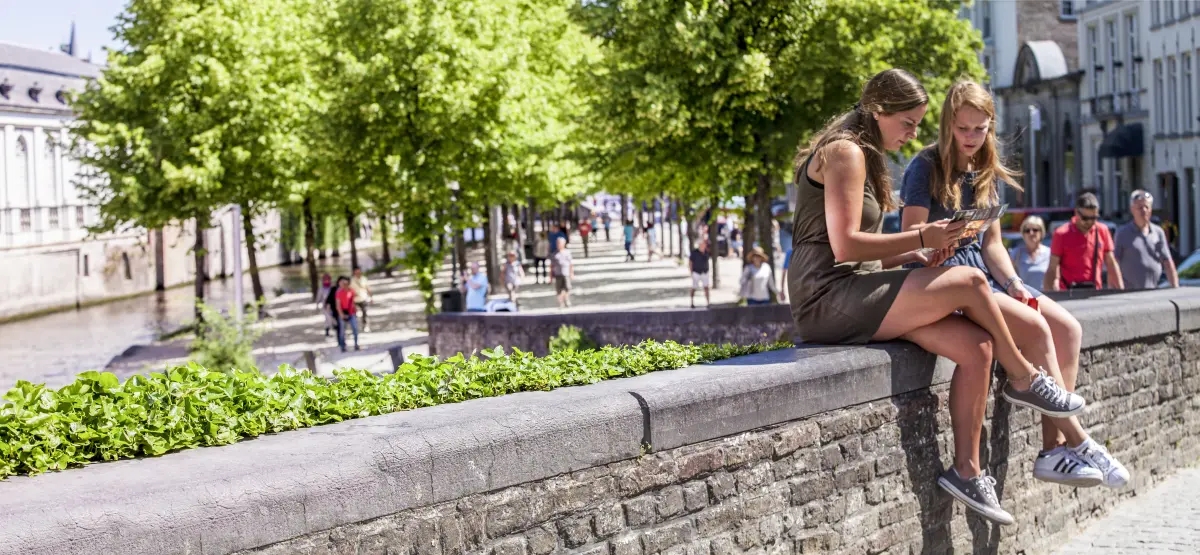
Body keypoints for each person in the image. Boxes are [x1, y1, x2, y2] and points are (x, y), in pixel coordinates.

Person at [789, 69, 1087, 526]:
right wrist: (922, 234)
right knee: (968, 281)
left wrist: (922, 248)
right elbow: (845, 247)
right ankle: (1025, 378)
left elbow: (863, 254)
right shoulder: (846, 152)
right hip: (827, 297)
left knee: (977, 348)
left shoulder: (865, 154)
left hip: (856, 290)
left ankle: (967, 471)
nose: (912, 134)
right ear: (876, 111)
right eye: (907, 122)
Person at [901, 79, 1128, 492]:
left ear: (990, 125)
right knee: (1039, 330)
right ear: (948, 124)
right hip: (948, 279)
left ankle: (1051, 450)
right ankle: (1080, 442)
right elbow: (910, 235)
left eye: (980, 129)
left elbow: (992, 244)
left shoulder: (986, 168)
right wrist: (933, 245)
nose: (971, 138)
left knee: (1068, 329)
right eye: (963, 128)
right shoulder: (926, 165)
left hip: (985, 276)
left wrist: (1015, 281)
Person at [1045, 193, 1124, 291]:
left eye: (1094, 218)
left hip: (1095, 291)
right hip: (1068, 292)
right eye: (1085, 218)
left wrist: (1120, 290)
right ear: (1076, 213)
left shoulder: (1102, 230)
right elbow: (1052, 267)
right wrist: (1050, 295)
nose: (1090, 222)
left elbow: (1111, 263)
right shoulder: (1061, 234)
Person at [1115, 190, 1179, 290]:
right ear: (1132, 209)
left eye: (1147, 207)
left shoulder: (1158, 232)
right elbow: (1115, 263)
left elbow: (1167, 262)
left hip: (1153, 291)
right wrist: (1118, 289)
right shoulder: (1122, 233)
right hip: (1129, 293)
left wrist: (1175, 287)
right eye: (1140, 207)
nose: (1144, 210)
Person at [1010, 216, 1050, 289]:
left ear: (1041, 232)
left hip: (1046, 297)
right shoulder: (1015, 254)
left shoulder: (1049, 253)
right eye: (1027, 230)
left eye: (1035, 230)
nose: (1031, 233)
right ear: (1023, 234)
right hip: (1025, 297)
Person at [334, 276, 359, 352]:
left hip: (351, 313)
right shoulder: (339, 293)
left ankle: (356, 344)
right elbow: (338, 305)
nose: (345, 285)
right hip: (342, 314)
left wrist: (355, 309)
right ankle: (343, 346)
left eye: (346, 283)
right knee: (342, 331)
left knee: (355, 329)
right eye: (343, 283)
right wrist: (341, 314)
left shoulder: (351, 291)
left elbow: (353, 301)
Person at [551, 237, 575, 308]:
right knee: (559, 290)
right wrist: (551, 276)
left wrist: (571, 273)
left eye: (560, 243)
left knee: (567, 288)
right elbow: (551, 266)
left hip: (566, 273)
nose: (559, 244)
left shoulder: (567, 252)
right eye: (558, 243)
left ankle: (567, 300)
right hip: (557, 274)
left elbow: (571, 264)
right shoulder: (554, 254)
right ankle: (561, 303)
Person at [689, 240, 712, 308]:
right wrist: (691, 272)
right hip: (696, 272)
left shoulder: (706, 252)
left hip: (704, 272)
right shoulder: (694, 252)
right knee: (694, 287)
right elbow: (690, 262)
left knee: (706, 287)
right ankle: (692, 302)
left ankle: (708, 302)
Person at [350, 267, 372, 332]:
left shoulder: (364, 279)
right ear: (354, 273)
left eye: (359, 272)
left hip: (363, 298)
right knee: (354, 314)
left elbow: (368, 288)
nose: (358, 273)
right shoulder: (351, 280)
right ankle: (355, 326)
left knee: (365, 312)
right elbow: (349, 290)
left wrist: (371, 297)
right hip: (354, 300)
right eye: (356, 272)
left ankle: (365, 326)